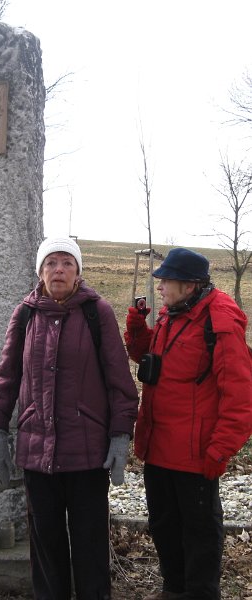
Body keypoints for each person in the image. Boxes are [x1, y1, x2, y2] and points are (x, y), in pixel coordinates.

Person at [0, 236, 139, 600]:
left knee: (90, 544)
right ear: (40, 272)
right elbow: (7, 377)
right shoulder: (25, 314)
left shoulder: (97, 312)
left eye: (67, 263)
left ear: (78, 272)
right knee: (46, 544)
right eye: (51, 263)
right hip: (37, 452)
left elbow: (120, 380)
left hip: (87, 453)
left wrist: (120, 435)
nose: (59, 270)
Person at [124, 248, 252, 600]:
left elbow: (240, 396)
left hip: (196, 457)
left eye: (166, 280)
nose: (160, 287)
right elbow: (151, 360)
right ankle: (174, 590)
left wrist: (220, 450)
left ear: (190, 285)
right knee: (164, 526)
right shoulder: (173, 314)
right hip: (159, 447)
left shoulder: (220, 321)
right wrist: (137, 327)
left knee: (199, 535)